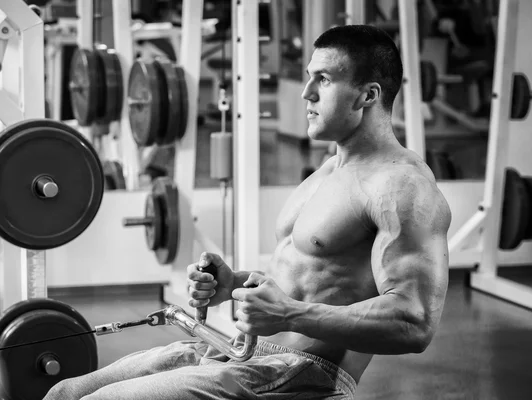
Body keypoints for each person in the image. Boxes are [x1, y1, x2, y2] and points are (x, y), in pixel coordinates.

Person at [44, 24, 451, 400]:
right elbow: (318, 277)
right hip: (240, 350)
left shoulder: (401, 186)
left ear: (368, 95)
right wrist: (234, 285)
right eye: (309, 77)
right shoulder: (328, 172)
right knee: (65, 392)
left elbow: (413, 321)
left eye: (323, 79)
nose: (306, 92)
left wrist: (289, 314)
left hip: (302, 372)